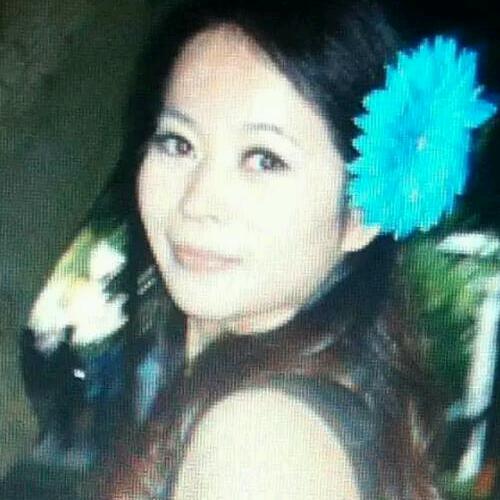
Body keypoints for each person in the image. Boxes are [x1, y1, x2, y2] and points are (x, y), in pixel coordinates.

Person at [13, 0, 496, 498]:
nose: (198, 201)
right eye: (178, 143)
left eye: (264, 159)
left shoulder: (258, 440)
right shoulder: (321, 401)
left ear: (357, 218)